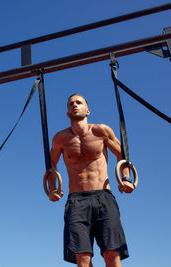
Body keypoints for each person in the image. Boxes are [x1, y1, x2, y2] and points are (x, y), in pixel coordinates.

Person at [48, 93, 135, 267]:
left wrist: (126, 178)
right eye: (71, 103)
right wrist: (52, 188)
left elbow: (122, 155)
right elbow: (51, 164)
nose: (74, 105)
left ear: (87, 110)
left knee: (112, 253)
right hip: (76, 201)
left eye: (79, 102)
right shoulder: (61, 138)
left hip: (103, 196)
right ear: (67, 113)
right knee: (82, 257)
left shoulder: (101, 131)